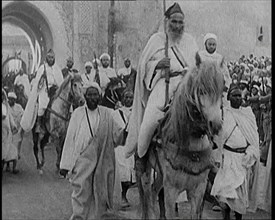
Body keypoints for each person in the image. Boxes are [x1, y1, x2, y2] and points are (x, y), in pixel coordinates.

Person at [125, 2, 199, 158]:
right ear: (167, 22)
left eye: (180, 22)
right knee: (150, 121)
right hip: (164, 84)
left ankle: (209, 158)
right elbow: (144, 65)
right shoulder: (157, 39)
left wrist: (189, 72)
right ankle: (141, 156)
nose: (177, 26)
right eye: (174, 21)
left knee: (206, 116)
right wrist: (158, 64)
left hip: (187, 85)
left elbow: (197, 65)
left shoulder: (190, 41)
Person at [59, 82, 125, 220]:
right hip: (83, 159)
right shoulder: (77, 114)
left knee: (100, 192)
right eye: (89, 95)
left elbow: (118, 134)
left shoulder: (107, 113)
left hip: (102, 159)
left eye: (95, 94)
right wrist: (65, 165)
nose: (92, 97)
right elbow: (70, 138)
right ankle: (79, 217)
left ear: (99, 96)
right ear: (85, 96)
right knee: (81, 191)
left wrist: (126, 128)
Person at [211, 85, 260, 220]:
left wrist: (251, 152)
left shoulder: (248, 114)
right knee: (226, 195)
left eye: (240, 96)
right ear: (229, 98)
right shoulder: (224, 113)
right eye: (235, 96)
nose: (238, 98)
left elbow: (253, 138)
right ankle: (225, 216)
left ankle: (238, 217)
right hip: (228, 158)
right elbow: (217, 135)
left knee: (239, 196)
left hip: (243, 159)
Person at [20, 49, 64, 133]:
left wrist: (56, 87)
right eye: (49, 57)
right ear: (46, 58)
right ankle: (39, 124)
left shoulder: (57, 69)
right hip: (44, 90)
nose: (50, 59)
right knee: (43, 104)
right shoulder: (42, 68)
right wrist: (42, 78)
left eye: (52, 57)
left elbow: (60, 82)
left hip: (54, 91)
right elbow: (38, 84)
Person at [113, 90, 136, 208]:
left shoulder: (137, 112)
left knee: (132, 173)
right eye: (126, 97)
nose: (128, 99)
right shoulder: (116, 113)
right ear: (123, 99)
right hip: (121, 145)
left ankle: (125, 194)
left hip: (133, 145)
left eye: (131, 97)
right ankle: (122, 196)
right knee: (121, 170)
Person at [2, 89, 19, 174]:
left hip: (7, 133)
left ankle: (13, 167)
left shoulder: (6, 107)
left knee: (11, 150)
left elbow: (9, 117)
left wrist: (14, 126)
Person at [7, 92, 25, 160]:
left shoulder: (19, 107)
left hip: (17, 129)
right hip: (8, 129)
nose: (10, 101)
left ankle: (16, 159)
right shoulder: (5, 106)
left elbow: (23, 115)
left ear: (15, 100)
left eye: (12, 99)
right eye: (9, 99)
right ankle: (7, 164)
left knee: (16, 145)